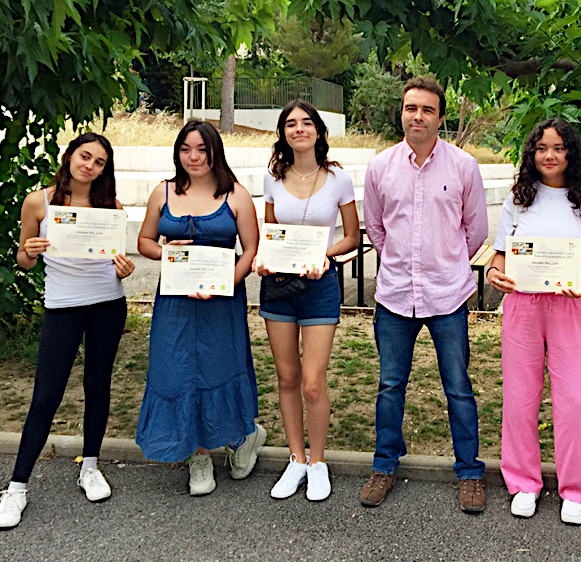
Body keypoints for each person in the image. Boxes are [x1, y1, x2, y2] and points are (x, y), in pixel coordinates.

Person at [0, 133, 136, 529]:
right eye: (84, 156)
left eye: (99, 162)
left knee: (97, 384)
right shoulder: (39, 201)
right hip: (62, 307)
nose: (89, 165)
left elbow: (113, 261)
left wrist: (123, 270)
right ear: (70, 156)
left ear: (105, 170)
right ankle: (17, 486)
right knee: (46, 394)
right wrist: (29, 251)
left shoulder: (112, 208)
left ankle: (90, 465)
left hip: (107, 304)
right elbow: (23, 260)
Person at [360, 76, 489, 512]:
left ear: (440, 117)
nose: (418, 116)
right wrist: (401, 263)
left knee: (458, 387)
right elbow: (376, 228)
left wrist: (448, 264)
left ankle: (469, 472)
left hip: (447, 297)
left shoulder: (464, 167)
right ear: (402, 112)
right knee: (390, 385)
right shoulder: (379, 167)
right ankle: (384, 465)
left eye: (427, 109)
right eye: (411, 107)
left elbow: (476, 230)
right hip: (395, 297)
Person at [486, 119, 581, 525]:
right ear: (531, 154)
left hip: (569, 306)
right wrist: (494, 273)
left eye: (558, 148)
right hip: (523, 305)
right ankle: (523, 482)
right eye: (541, 149)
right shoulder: (518, 200)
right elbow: (500, 253)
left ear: (570, 153)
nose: (549, 156)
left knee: (575, 398)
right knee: (520, 397)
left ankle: (577, 489)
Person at [135, 120, 263, 496]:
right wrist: (166, 252)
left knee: (219, 367)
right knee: (176, 371)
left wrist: (225, 284)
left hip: (220, 304)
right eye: (186, 149)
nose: (193, 157)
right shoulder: (163, 192)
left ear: (214, 152)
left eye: (202, 149)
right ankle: (199, 454)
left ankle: (241, 437)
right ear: (177, 153)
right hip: (174, 303)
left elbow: (251, 251)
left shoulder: (236, 195)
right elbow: (144, 241)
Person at [256, 100, 360, 502]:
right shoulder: (272, 177)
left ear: (318, 130)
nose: (299, 129)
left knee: (314, 383)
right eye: (290, 124)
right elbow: (270, 232)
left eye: (306, 123)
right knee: (287, 378)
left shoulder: (338, 179)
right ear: (283, 133)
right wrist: (264, 260)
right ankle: (295, 460)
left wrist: (324, 256)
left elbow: (351, 237)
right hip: (279, 286)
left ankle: (318, 463)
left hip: (320, 285)